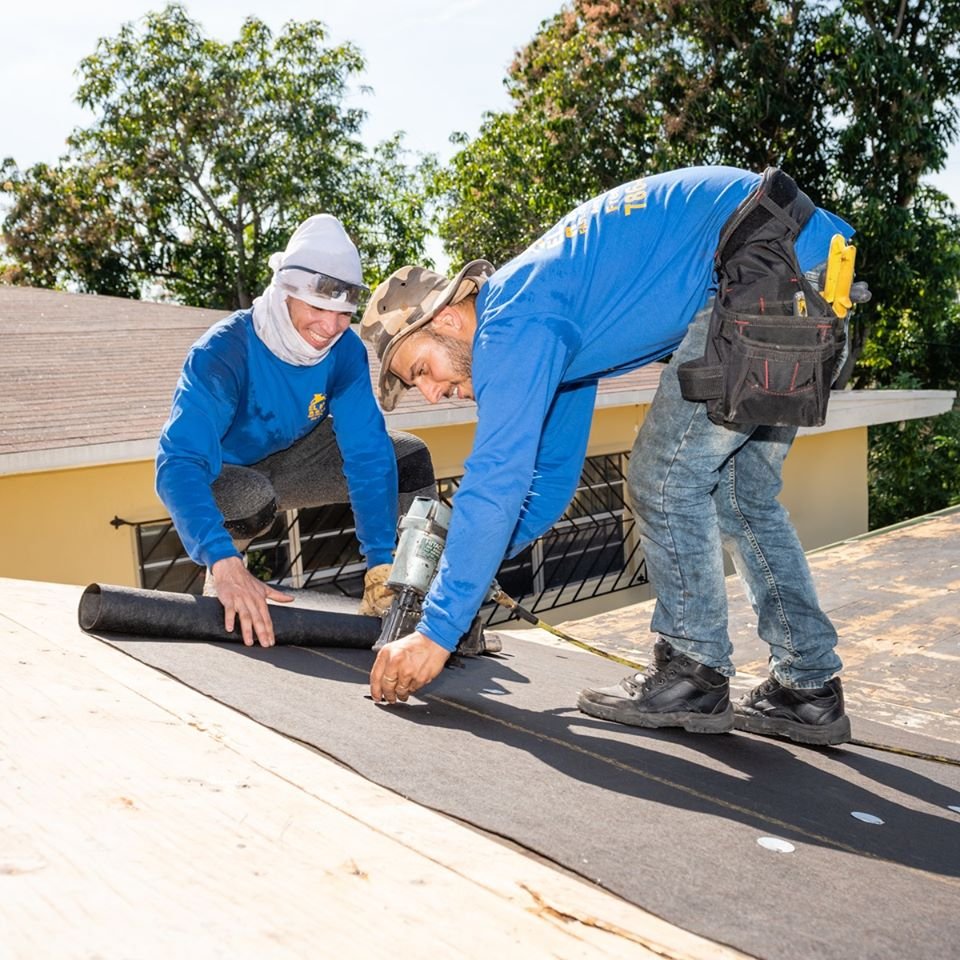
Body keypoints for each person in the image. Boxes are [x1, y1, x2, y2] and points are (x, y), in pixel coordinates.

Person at [358, 165, 853, 746]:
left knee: (663, 479)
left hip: (763, 268)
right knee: (741, 496)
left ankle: (693, 671)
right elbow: (546, 484)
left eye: (421, 369)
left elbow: (496, 482)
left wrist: (436, 632)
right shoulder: (546, 322)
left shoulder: (510, 323)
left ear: (445, 317)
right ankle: (808, 688)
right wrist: (462, 571)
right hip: (803, 267)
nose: (431, 393)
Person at [156, 214, 436, 648]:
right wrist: (222, 559)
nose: (330, 327)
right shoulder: (222, 352)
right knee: (251, 498)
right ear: (284, 292)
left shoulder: (344, 351)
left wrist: (380, 562)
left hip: (294, 459)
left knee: (407, 459)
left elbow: (366, 454)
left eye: (343, 314)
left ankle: (408, 596)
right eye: (318, 309)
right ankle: (223, 583)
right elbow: (178, 464)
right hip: (223, 477)